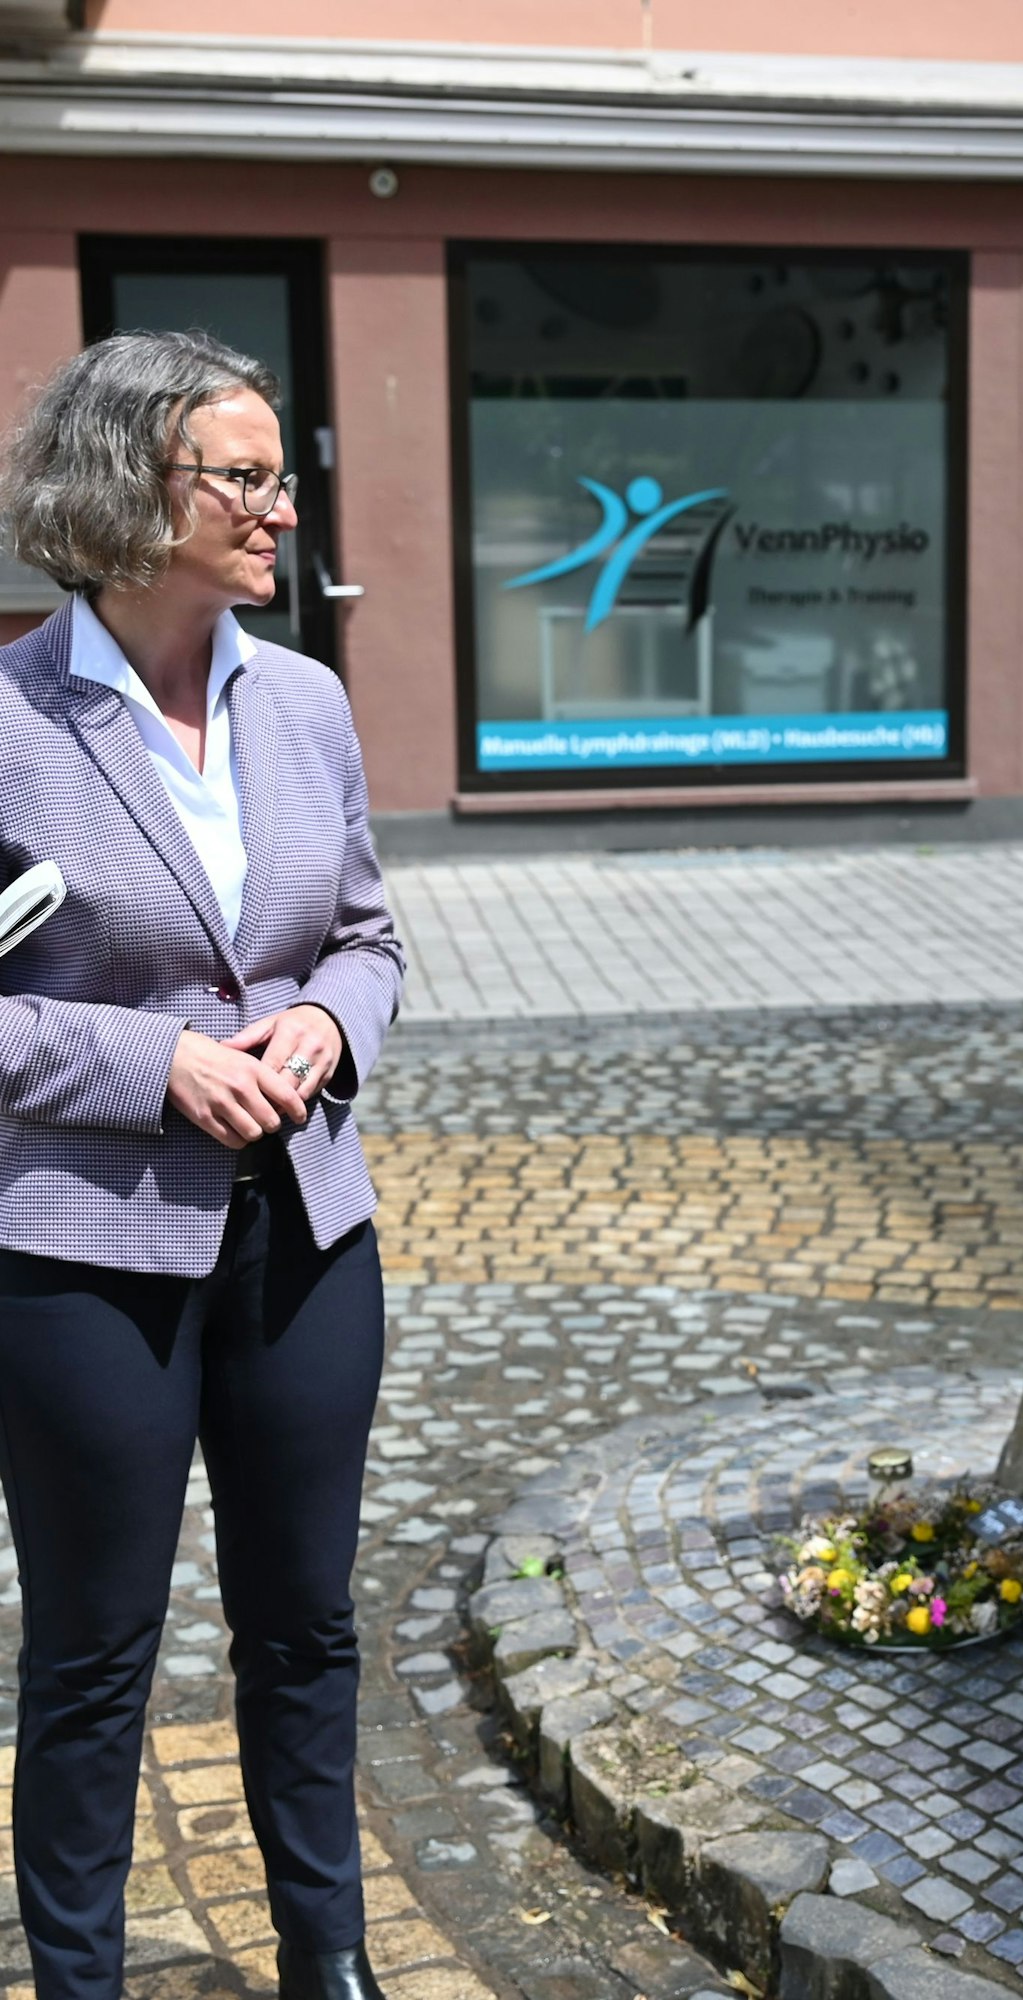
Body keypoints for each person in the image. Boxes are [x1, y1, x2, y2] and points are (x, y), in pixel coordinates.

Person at [0, 330, 404, 2000]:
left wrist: (326, 1027)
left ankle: (332, 1961)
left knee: (307, 1624)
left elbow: (368, 934)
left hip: (307, 1228)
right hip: (84, 1254)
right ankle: (78, 1983)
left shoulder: (300, 700)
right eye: (240, 478)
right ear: (127, 494)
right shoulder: (10, 721)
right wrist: (151, 1062)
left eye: (278, 477)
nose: (278, 511)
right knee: (96, 1655)